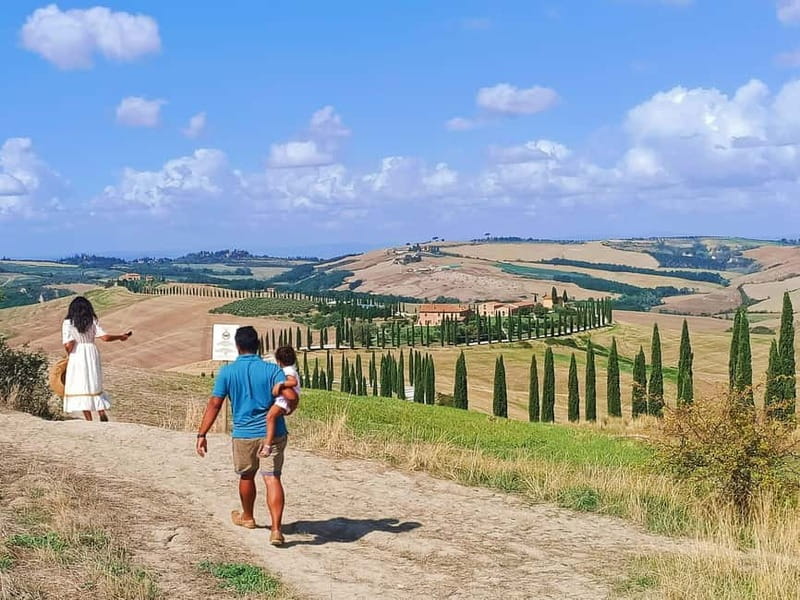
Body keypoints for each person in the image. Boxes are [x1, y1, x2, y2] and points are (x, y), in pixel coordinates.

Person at [195, 326, 298, 546]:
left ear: (237, 346)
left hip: (244, 433)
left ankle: (248, 517)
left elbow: (215, 403)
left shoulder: (228, 372)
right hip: (274, 433)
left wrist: (202, 433)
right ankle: (276, 530)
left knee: (247, 476)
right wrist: (288, 409)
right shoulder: (272, 371)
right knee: (272, 478)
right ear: (257, 345)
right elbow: (290, 396)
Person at [62, 296, 131, 421]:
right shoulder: (92, 320)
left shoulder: (68, 323)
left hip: (77, 353)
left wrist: (68, 353)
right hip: (91, 351)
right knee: (94, 382)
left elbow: (68, 344)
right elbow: (105, 337)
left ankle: (89, 419)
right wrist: (120, 336)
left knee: (81, 385)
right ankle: (101, 412)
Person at [259, 345, 300, 459]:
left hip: (284, 401)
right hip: (284, 400)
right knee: (271, 418)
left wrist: (280, 384)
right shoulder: (290, 369)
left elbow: (293, 382)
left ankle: (268, 444)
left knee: (270, 417)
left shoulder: (287, 370)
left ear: (278, 360)